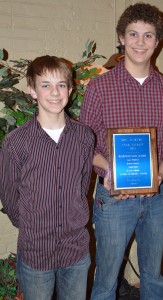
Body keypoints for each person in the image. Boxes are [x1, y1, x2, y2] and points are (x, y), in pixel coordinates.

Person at [79, 2, 163, 300]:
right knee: (106, 278)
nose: (140, 42)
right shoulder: (99, 88)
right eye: (133, 34)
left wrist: (159, 174)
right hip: (113, 198)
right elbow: (85, 143)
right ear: (121, 38)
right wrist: (110, 172)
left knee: (153, 276)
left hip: (156, 199)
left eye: (148, 35)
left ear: (158, 40)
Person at [0, 56, 95, 300]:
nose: (55, 92)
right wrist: (32, 225)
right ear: (32, 90)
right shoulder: (15, 143)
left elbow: (83, 185)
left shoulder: (85, 137)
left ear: (71, 90)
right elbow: (9, 196)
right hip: (36, 252)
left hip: (75, 250)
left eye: (61, 85)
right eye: (45, 85)